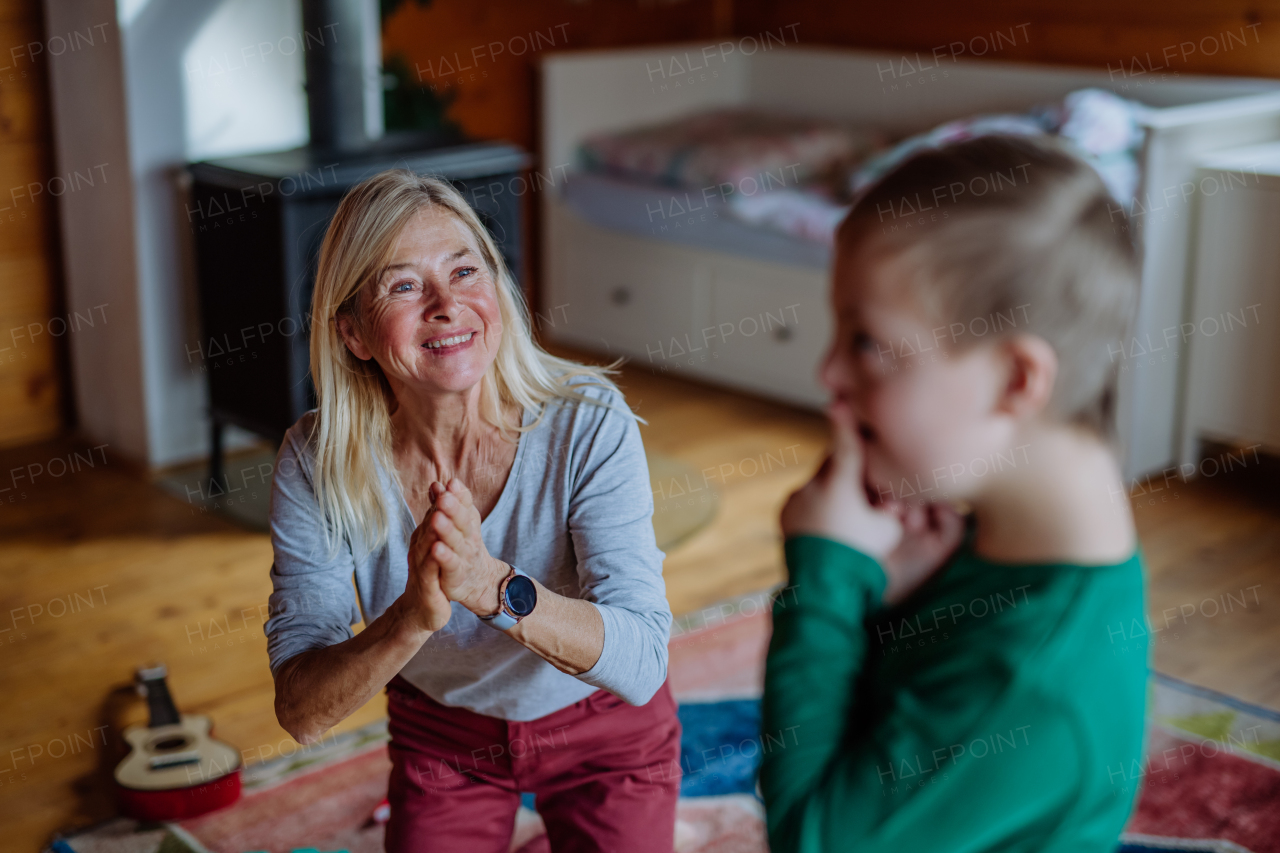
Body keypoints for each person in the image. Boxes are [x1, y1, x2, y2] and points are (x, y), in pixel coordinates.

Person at [263, 170, 681, 853]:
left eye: (464, 271)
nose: (446, 304)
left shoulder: (586, 418)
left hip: (602, 723)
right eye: (403, 285)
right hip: (446, 735)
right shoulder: (317, 460)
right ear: (354, 333)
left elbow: (641, 661)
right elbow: (302, 713)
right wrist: (411, 618)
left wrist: (490, 586)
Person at [761, 134, 1148, 852]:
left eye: (868, 342)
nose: (829, 373)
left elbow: (808, 840)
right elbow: (899, 721)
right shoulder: (1031, 554)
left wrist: (828, 578)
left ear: (1015, 380)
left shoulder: (1027, 679)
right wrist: (901, 603)